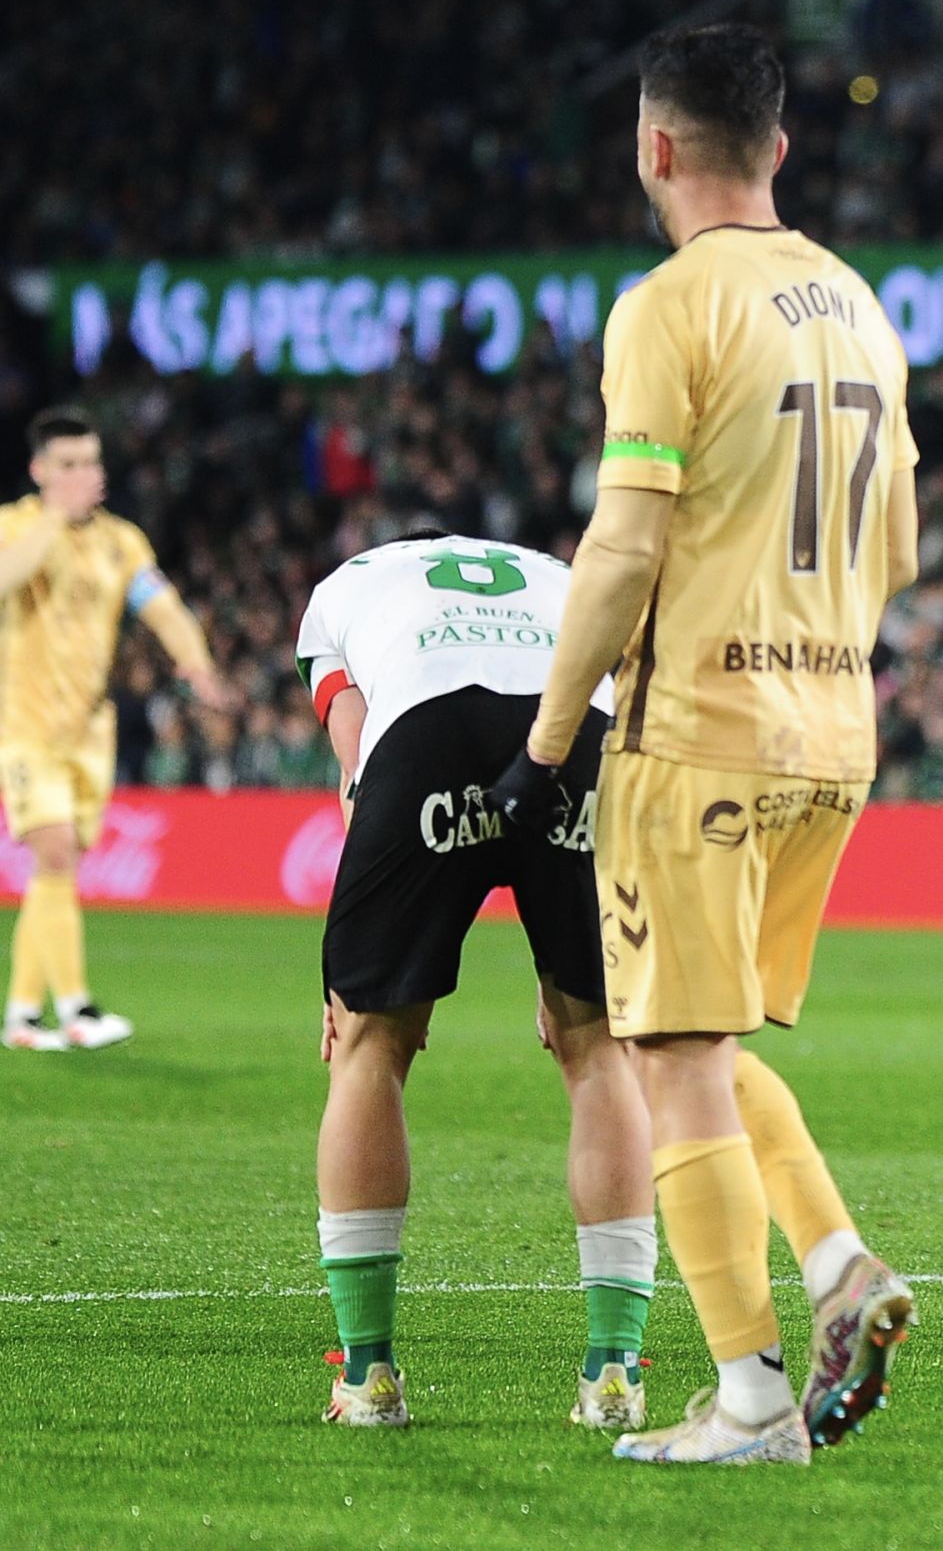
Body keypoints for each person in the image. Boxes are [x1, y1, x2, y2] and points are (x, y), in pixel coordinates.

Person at [492, 23, 920, 1467]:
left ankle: (748, 1399)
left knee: (661, 1046)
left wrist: (548, 740)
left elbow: (624, 545)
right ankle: (834, 1263)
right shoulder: (860, 304)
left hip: (701, 730)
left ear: (653, 148)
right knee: (709, 1036)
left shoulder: (670, 305)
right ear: (780, 147)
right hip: (834, 731)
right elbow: (903, 545)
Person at [297, 529, 648, 1429]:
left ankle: (368, 1376)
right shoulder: (557, 575)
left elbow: (356, 771)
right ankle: (614, 1375)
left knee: (371, 1050)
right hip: (577, 734)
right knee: (600, 1051)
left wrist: (348, 985)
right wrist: (571, 956)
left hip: (429, 730)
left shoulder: (339, 592)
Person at [1, 407, 228, 1052]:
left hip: (89, 730)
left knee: (58, 869)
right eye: (67, 464)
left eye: (91, 463)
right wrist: (52, 515)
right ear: (39, 470)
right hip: (25, 723)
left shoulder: (120, 542)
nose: (83, 475)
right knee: (54, 854)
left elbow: (162, 605)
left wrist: (197, 664)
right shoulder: (16, 526)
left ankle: (21, 1017)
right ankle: (76, 1007)